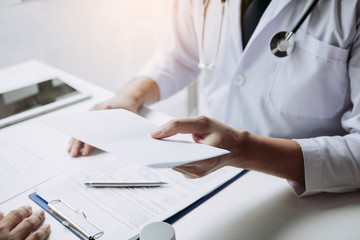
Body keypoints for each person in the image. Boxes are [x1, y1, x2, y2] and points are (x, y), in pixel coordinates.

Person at [68, 0, 360, 197]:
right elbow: (181, 54)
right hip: (201, 174)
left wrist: (244, 150)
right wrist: (128, 97)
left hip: (295, 189)